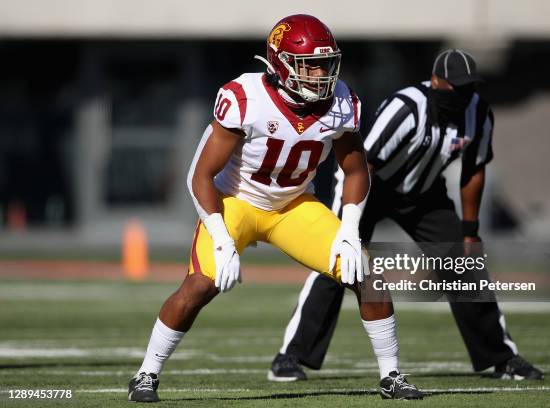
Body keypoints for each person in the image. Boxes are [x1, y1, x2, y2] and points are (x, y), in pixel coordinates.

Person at [128, 14, 424, 402]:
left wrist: (350, 230)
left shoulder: (341, 102)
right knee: (201, 283)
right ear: (282, 64)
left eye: (326, 63)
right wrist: (220, 237)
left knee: (366, 274)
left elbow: (355, 170)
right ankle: (146, 374)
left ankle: (392, 376)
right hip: (236, 202)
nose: (321, 74)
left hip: (292, 205)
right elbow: (199, 175)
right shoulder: (245, 98)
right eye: (310, 64)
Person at [269, 49, 543, 382]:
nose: (463, 95)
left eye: (469, 87)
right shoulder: (407, 107)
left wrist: (470, 231)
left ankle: (502, 357)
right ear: (437, 81)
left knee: (464, 263)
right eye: (456, 87)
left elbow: (474, 169)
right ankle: (290, 356)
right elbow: (361, 163)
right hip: (374, 187)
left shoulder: (479, 113)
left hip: (425, 194)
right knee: (337, 261)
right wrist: (348, 221)